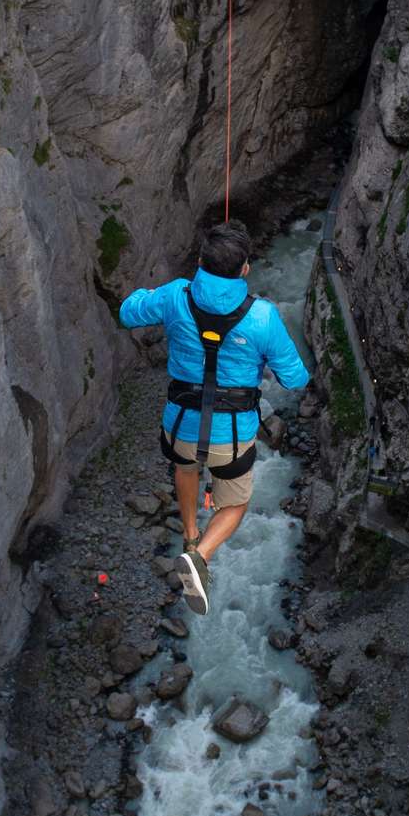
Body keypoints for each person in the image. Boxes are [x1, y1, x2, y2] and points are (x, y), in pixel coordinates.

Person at [118, 220, 309, 615]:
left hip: (180, 423)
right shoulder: (262, 316)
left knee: (185, 468)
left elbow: (128, 312)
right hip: (233, 434)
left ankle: (189, 536)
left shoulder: (175, 297)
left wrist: (152, 295)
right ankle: (201, 553)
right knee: (234, 504)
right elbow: (294, 378)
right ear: (245, 270)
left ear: (201, 261)